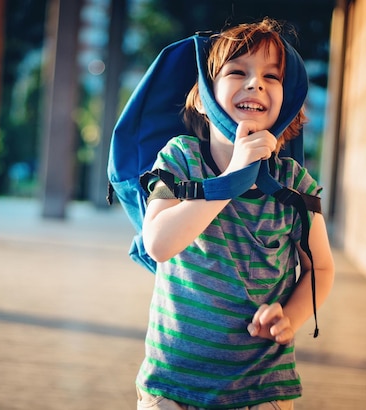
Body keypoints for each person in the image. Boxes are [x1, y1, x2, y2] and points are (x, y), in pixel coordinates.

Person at [136, 18, 335, 410]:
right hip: (173, 387)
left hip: (261, 390)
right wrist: (232, 178)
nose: (255, 83)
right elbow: (158, 244)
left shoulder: (296, 185)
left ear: (287, 98)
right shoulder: (178, 159)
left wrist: (290, 318)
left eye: (271, 76)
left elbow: (320, 270)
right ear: (204, 94)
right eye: (237, 72)